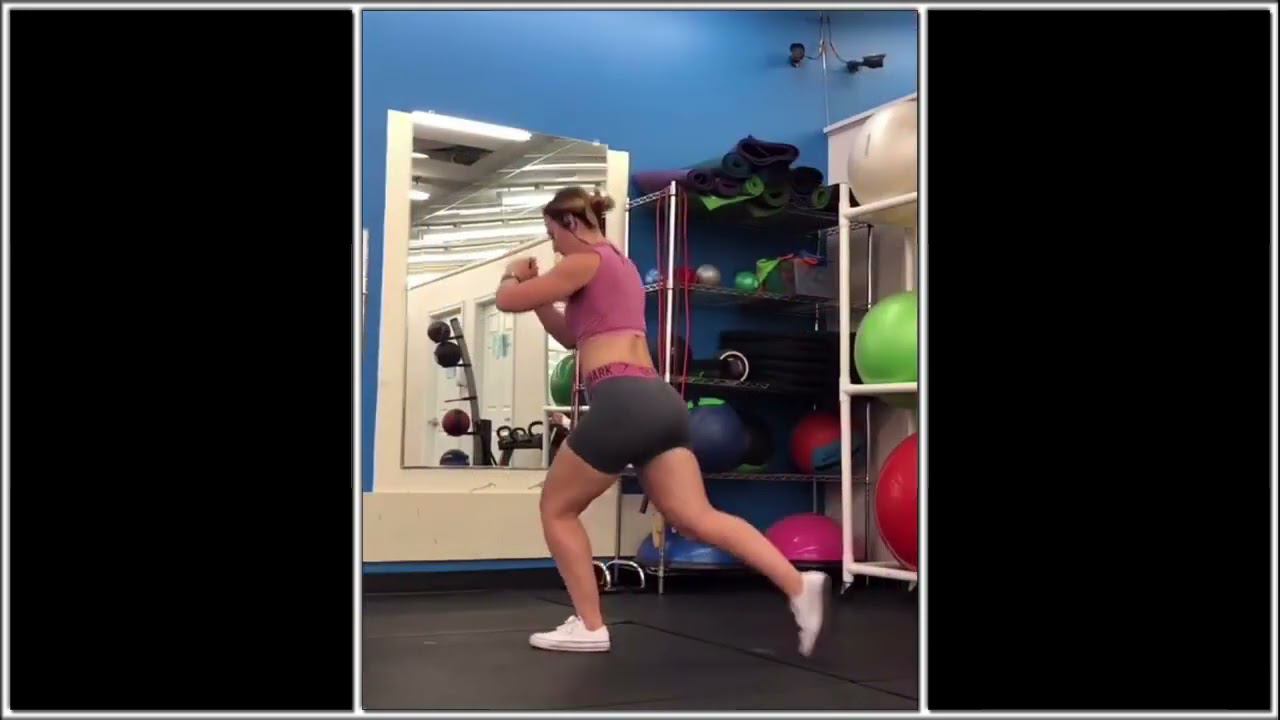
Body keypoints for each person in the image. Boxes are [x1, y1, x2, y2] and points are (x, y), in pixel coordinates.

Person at [495, 187, 829, 656]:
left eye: (553, 235)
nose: (554, 247)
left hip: (622, 400)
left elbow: (506, 300)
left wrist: (513, 273)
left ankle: (590, 626)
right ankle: (798, 584)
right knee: (697, 518)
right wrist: (539, 298)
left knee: (557, 509)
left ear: (570, 224)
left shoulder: (583, 259)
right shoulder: (622, 267)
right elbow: (572, 335)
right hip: (660, 402)